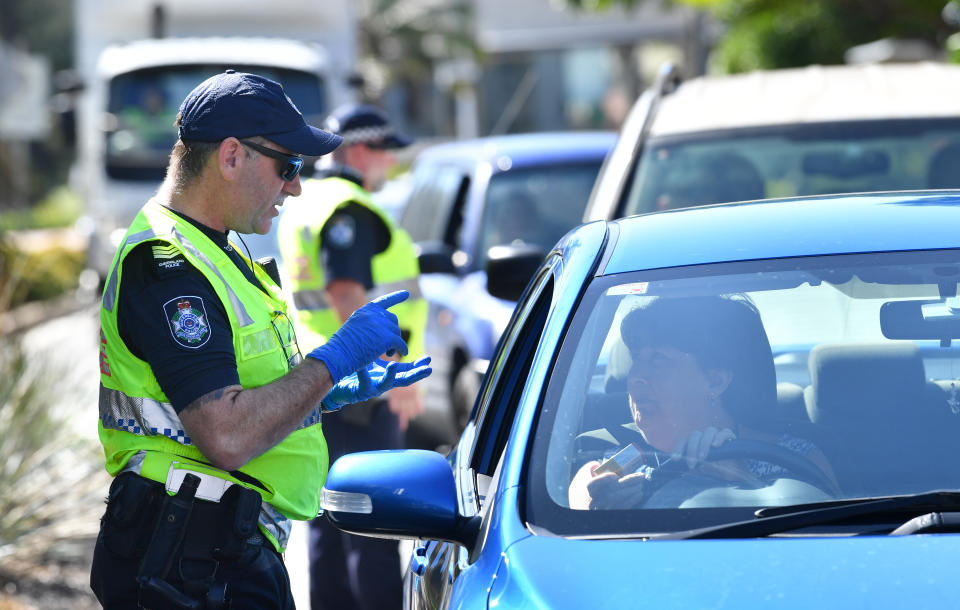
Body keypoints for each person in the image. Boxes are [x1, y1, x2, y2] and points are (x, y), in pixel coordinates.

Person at [89, 70, 432, 609]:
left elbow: (243, 383)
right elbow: (224, 436)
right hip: (184, 556)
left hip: (209, 548)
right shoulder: (171, 267)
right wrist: (334, 359)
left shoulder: (215, 246)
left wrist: (327, 389)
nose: (295, 185)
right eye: (287, 165)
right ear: (231, 157)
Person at [276, 103, 425, 610]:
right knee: (372, 523)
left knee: (329, 522)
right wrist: (395, 377)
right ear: (360, 150)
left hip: (317, 381)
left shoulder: (306, 202)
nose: (391, 163)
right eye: (385, 151)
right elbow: (347, 297)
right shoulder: (348, 210)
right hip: (359, 389)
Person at [568, 295, 837, 510]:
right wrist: (604, 512)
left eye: (658, 360)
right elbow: (577, 536)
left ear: (715, 381)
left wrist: (745, 484)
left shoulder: (797, 459)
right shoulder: (608, 465)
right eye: (637, 358)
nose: (637, 375)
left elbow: (825, 540)